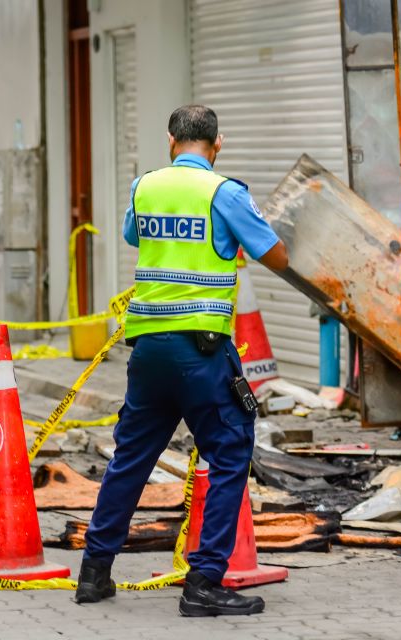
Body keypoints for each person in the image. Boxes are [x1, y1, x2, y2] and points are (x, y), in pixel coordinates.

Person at [74, 105, 288, 617]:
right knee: (231, 449)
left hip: (148, 350)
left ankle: (94, 574)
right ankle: (204, 582)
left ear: (170, 140)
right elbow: (275, 255)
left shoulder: (144, 186)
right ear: (219, 145)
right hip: (201, 352)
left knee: (132, 458)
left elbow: (135, 236)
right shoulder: (224, 193)